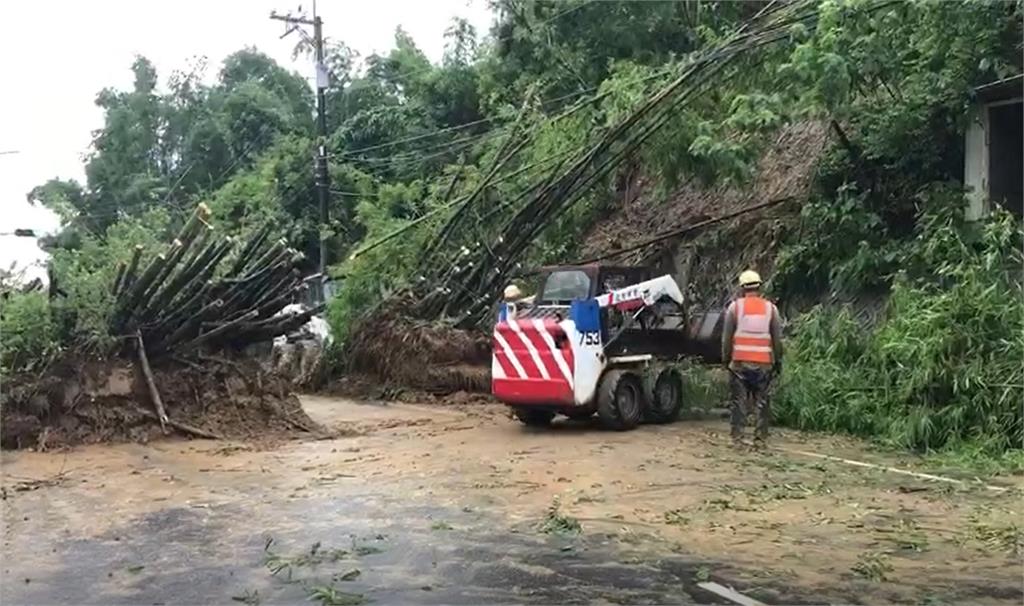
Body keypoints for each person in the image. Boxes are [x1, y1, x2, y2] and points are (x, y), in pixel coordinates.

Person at [721, 270, 783, 448]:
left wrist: (726, 359)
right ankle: (760, 440)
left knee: (738, 402)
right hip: (763, 363)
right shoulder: (771, 309)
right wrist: (777, 361)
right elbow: (777, 340)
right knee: (762, 403)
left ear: (742, 288)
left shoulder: (735, 308)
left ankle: (737, 439)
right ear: (760, 287)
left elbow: (727, 338)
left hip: (739, 363)